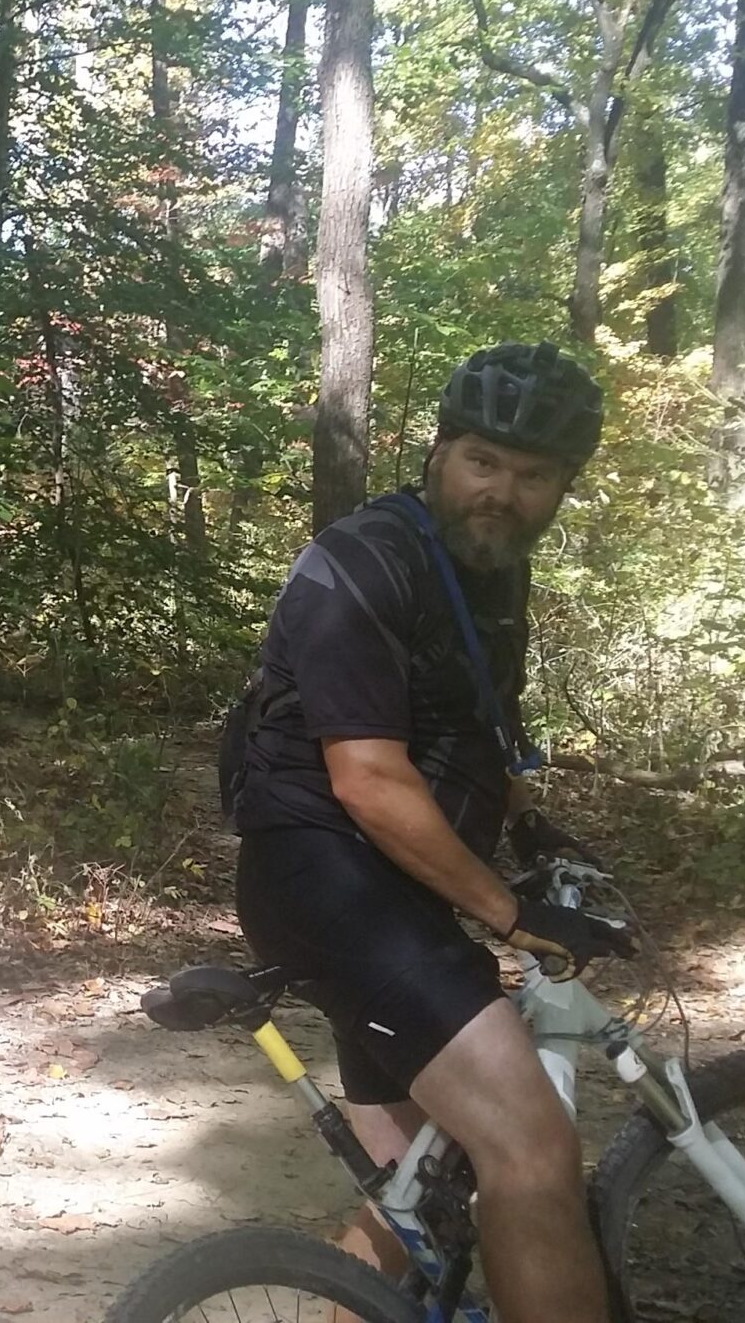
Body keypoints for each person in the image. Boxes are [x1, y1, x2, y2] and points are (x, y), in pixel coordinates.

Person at [224, 343, 635, 1323]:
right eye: (483, 461)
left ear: (562, 488)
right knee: (530, 1147)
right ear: (438, 451)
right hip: (326, 885)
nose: (503, 492)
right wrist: (510, 914)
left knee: (423, 1188)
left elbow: (469, 727)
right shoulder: (360, 562)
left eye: (533, 475)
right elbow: (367, 778)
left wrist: (530, 826)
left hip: (396, 892)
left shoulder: (492, 575)